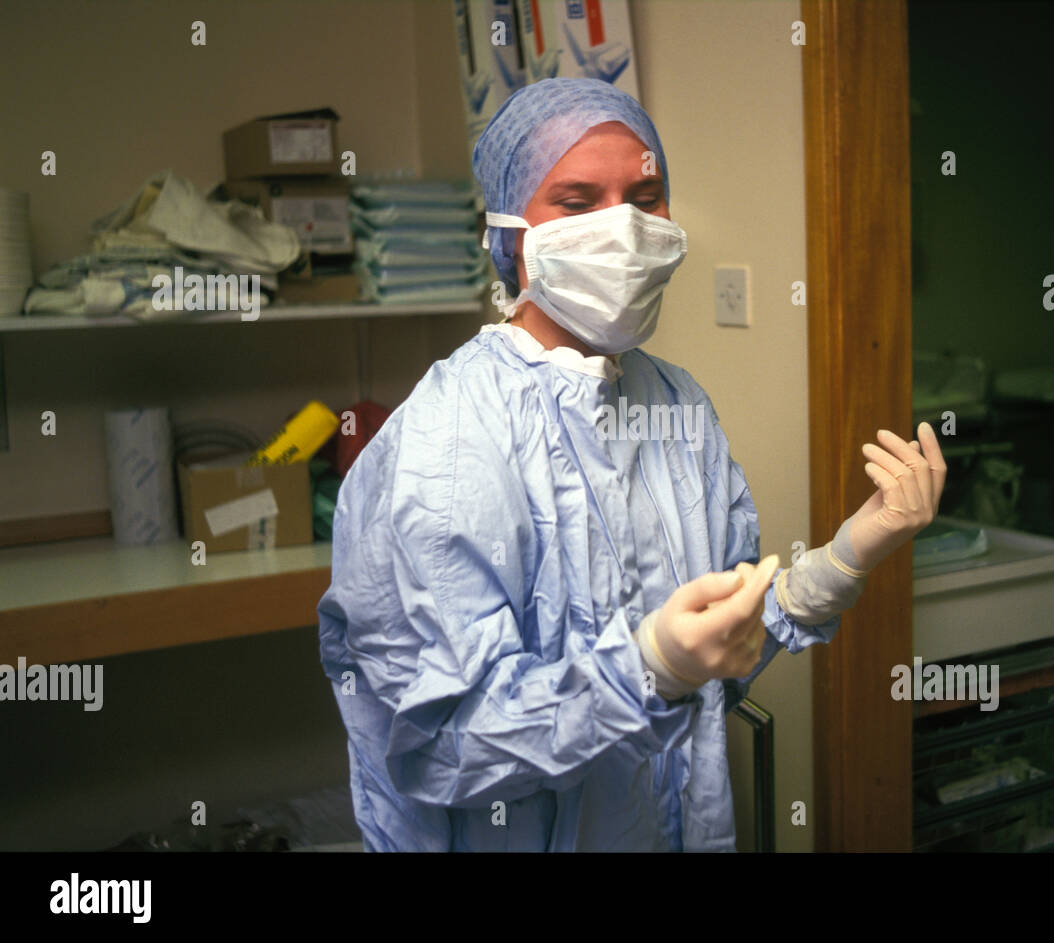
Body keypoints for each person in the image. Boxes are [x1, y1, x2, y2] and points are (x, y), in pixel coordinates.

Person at [317, 77, 945, 852]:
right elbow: (444, 745)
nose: (622, 229)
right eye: (578, 203)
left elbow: (721, 651)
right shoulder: (445, 443)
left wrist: (849, 555)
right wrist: (645, 671)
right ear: (509, 234)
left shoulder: (674, 403)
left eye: (645, 198)